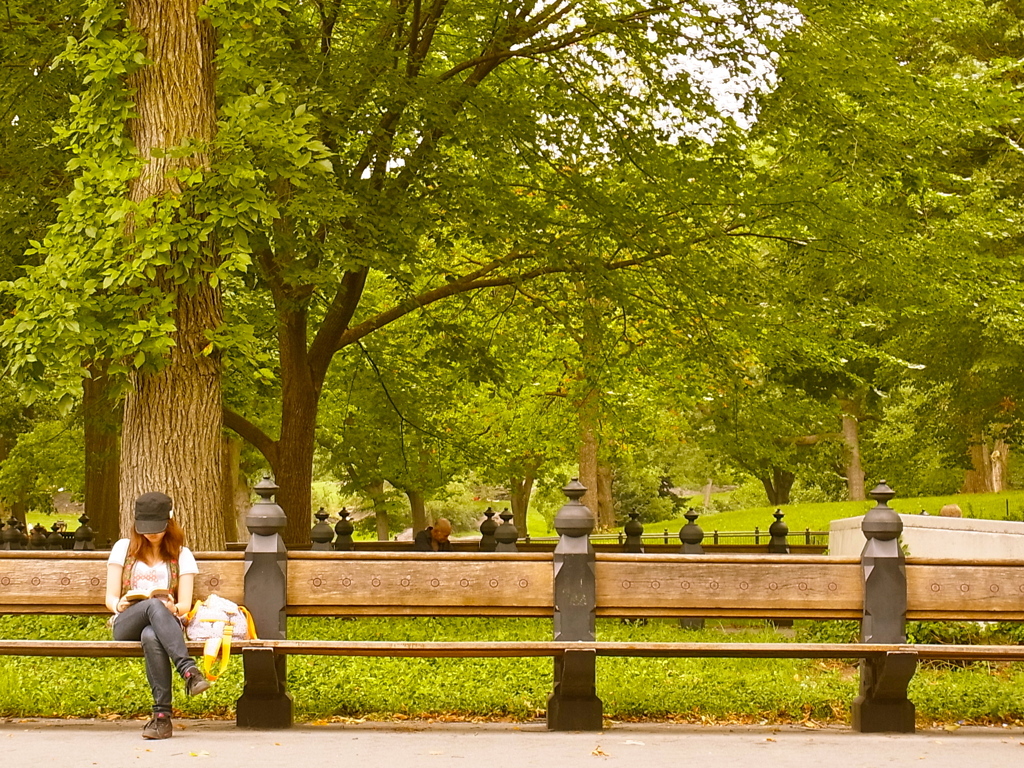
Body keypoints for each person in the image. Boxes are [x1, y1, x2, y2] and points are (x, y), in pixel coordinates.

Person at [105, 492, 211, 740]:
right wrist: (118, 604)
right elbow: (109, 597)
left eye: (157, 528)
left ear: (169, 522)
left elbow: (184, 604)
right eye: (145, 528)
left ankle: (161, 719)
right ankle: (188, 670)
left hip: (163, 625)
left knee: (152, 635)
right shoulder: (123, 548)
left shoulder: (182, 554)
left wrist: (174, 608)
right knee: (153, 606)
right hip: (127, 622)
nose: (151, 534)